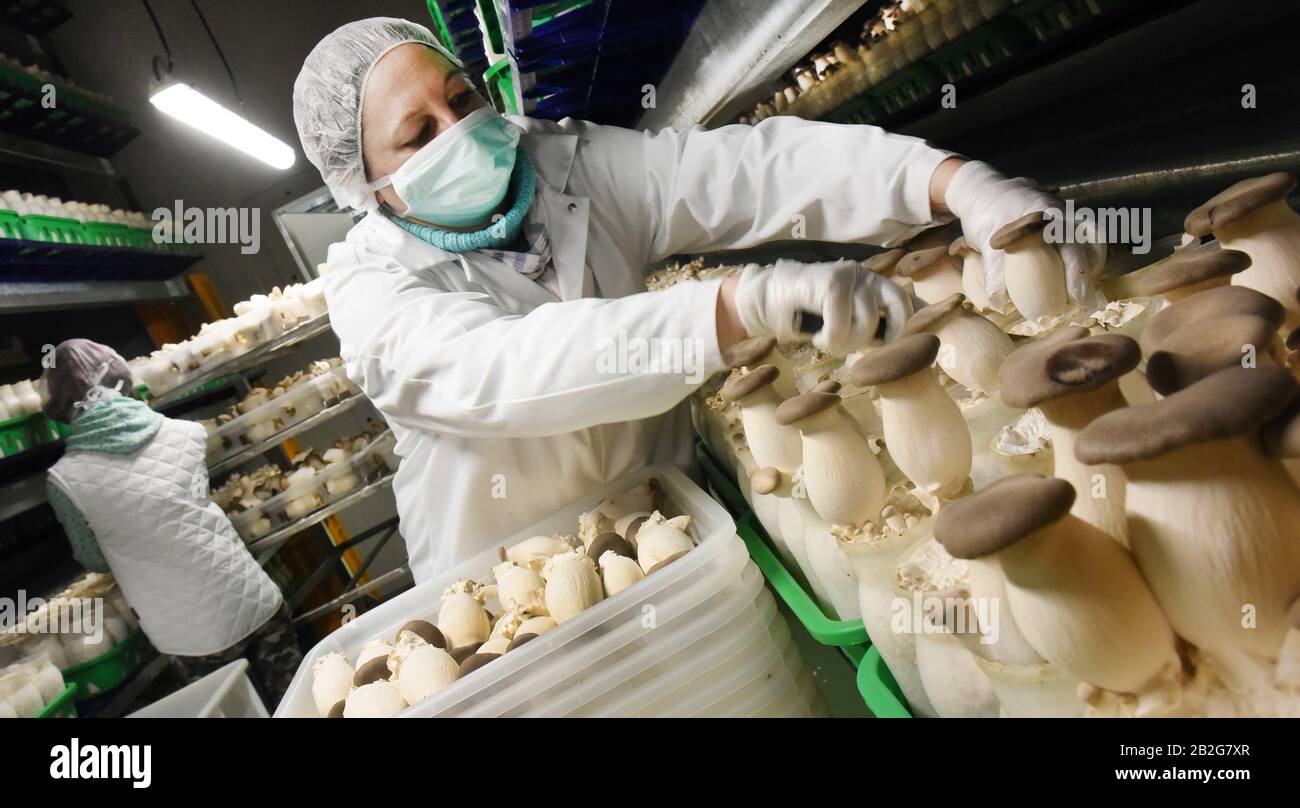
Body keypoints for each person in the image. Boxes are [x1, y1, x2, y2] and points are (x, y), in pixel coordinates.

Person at [292, 18, 1101, 582]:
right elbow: (504, 368)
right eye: (418, 134)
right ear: (370, 185)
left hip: (673, 536)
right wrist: (737, 306)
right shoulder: (372, 289)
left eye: (460, 97)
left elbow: (750, 169)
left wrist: (958, 184)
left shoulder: (562, 161)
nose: (459, 130)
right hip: (515, 588)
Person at [43, 340, 301, 706]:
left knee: (242, 712)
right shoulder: (184, 434)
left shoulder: (64, 482)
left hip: (192, 639)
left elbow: (94, 559)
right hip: (253, 600)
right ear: (120, 377)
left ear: (59, 404)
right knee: (302, 702)